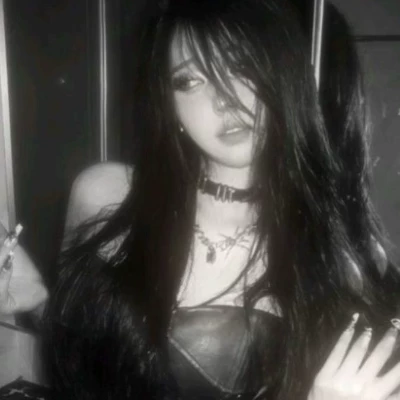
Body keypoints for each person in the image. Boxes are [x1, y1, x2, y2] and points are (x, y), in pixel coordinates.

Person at [39, 0, 400, 399]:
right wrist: (29, 306)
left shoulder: (340, 251)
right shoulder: (105, 195)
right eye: (189, 80)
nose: (223, 99)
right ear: (169, 104)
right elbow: (72, 360)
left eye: (242, 65)